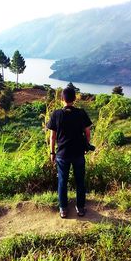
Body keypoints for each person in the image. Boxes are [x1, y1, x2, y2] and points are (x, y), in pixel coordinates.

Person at [47, 85, 92, 218]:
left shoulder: (56, 114)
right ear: (75, 98)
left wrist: (52, 153)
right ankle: (80, 208)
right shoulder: (81, 113)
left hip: (62, 154)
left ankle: (63, 209)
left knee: (62, 181)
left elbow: (52, 136)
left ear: (62, 99)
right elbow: (87, 133)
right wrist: (86, 147)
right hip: (78, 153)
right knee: (80, 182)